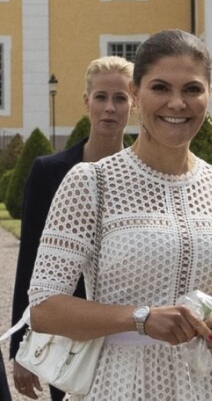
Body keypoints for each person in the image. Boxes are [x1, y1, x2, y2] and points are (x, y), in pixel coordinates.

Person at [27, 29, 212, 400]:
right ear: (136, 95)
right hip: (119, 383)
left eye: (192, 89)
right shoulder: (93, 182)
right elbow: (44, 307)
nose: (176, 103)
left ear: (209, 95)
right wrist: (140, 318)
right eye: (160, 88)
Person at [10, 55, 134, 401]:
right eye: (101, 97)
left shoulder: (143, 175)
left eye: (120, 98)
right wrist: (22, 345)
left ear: (134, 102)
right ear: (86, 101)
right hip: (66, 329)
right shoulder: (49, 171)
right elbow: (31, 260)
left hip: (127, 331)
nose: (110, 108)